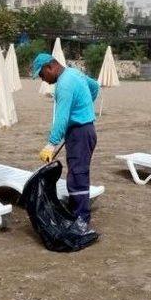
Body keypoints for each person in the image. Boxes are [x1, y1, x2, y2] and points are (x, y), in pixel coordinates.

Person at [32, 52, 100, 226]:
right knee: (78, 172)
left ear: (50, 67)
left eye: (42, 75)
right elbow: (95, 87)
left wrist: (51, 144)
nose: (43, 80)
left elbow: (61, 118)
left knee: (78, 176)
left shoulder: (63, 85)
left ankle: (81, 219)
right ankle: (78, 212)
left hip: (80, 133)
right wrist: (83, 107)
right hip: (84, 129)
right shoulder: (74, 73)